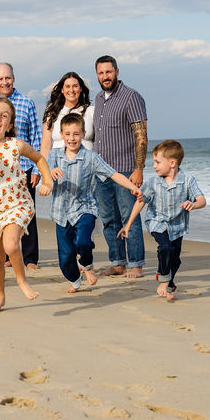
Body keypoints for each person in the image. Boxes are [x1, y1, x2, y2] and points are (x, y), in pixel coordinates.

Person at [0, 97, 53, 314]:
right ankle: (0, 297)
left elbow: (39, 159)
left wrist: (47, 180)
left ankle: (22, 281)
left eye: (5, 116)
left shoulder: (16, 145)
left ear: (10, 125)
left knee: (12, 245)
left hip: (16, 204)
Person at [48, 113, 140, 293]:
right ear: (61, 134)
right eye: (67, 134)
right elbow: (47, 179)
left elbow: (114, 174)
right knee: (65, 256)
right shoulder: (54, 155)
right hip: (61, 212)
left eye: (76, 134)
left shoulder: (91, 157)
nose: (72, 138)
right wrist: (49, 179)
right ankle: (75, 280)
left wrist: (132, 187)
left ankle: (86, 264)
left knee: (83, 241)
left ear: (83, 133)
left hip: (85, 208)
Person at [118, 140, 206, 301]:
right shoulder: (152, 182)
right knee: (165, 247)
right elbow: (140, 201)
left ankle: (170, 284)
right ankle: (164, 279)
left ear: (172, 163)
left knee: (175, 259)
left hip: (178, 226)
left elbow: (202, 200)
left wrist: (193, 204)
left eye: (158, 162)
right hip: (157, 222)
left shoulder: (188, 180)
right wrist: (128, 224)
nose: (154, 166)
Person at [92, 55, 148, 278]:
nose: (105, 76)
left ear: (117, 71)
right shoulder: (97, 98)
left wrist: (139, 168)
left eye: (109, 72)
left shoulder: (131, 97)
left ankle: (136, 265)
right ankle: (117, 263)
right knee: (108, 219)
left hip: (125, 170)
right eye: (101, 73)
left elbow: (141, 135)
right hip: (102, 172)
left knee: (129, 217)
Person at [0, 62, 43, 269]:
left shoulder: (26, 102)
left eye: (8, 78)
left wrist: (37, 168)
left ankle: (30, 259)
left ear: (14, 78)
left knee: (28, 212)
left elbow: (36, 136)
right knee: (1, 212)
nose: (5, 82)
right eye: (0, 79)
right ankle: (5, 257)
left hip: (25, 168)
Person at [40, 71, 94, 160]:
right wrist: (44, 171)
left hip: (87, 168)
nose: (71, 90)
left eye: (75, 86)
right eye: (67, 86)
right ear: (62, 90)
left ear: (80, 88)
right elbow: (45, 147)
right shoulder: (52, 114)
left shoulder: (91, 111)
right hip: (59, 169)